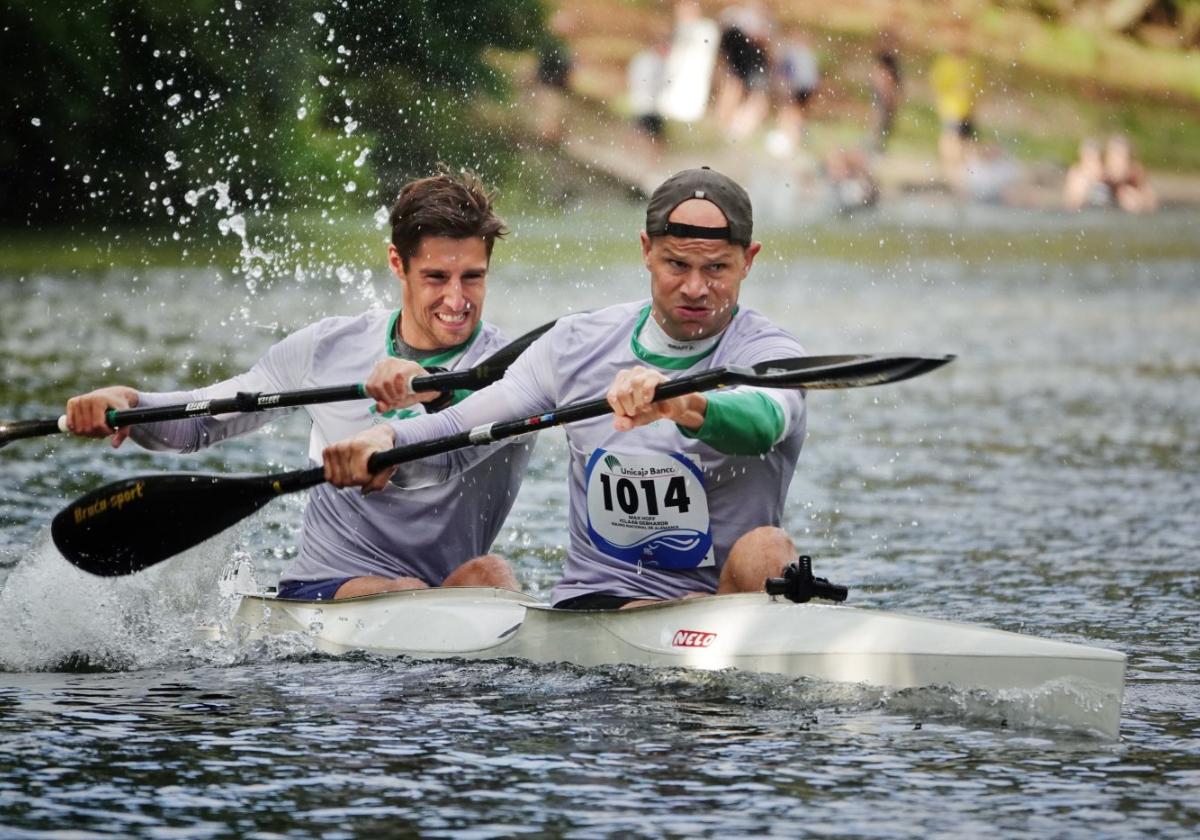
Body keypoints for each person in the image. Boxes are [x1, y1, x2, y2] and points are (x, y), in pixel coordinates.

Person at [326, 167, 808, 610]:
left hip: (725, 609)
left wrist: (685, 403)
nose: (696, 288)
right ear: (646, 251)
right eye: (677, 265)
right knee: (489, 575)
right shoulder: (575, 345)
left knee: (766, 549)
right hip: (600, 609)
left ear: (748, 260)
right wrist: (386, 441)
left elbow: (763, 421)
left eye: (717, 269)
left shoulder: (770, 352)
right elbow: (461, 431)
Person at [64, 170, 532, 601]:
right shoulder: (327, 348)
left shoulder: (515, 372)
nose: (457, 299)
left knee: (490, 574)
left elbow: (440, 461)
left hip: (438, 592)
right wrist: (129, 403)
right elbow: (205, 421)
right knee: (404, 589)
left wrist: (430, 388)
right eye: (436, 277)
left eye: (472, 278)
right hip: (327, 590)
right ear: (397, 262)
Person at [930, 38, 982, 191]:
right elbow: (937, 85)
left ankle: (966, 176)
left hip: (968, 110)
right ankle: (950, 174)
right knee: (951, 141)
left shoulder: (971, 64)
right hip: (951, 108)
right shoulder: (946, 64)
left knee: (967, 142)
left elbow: (978, 87)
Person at [1103, 135, 1157, 214]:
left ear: (1129, 160)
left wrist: (1140, 201)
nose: (1117, 163)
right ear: (1107, 159)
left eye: (1121, 158)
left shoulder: (1135, 174)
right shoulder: (1100, 174)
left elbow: (1152, 202)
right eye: (1114, 158)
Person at [868, 29, 902, 153]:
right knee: (880, 121)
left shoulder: (891, 58)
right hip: (883, 95)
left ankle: (879, 147)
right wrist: (887, 93)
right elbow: (880, 76)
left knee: (886, 123)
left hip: (888, 94)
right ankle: (875, 147)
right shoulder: (883, 57)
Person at [1064, 138, 1113, 210]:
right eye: (1091, 160)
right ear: (1083, 158)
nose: (1095, 164)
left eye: (1098, 160)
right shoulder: (1077, 175)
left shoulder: (1107, 175)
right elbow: (1071, 203)